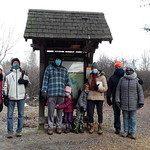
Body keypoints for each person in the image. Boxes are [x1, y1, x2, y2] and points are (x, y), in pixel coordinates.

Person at [41, 54, 70, 135]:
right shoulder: (49, 68)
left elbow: (67, 81)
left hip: (61, 94)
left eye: (59, 59)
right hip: (51, 93)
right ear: (54, 60)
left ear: (61, 60)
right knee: (51, 111)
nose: (58, 61)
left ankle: (59, 126)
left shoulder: (64, 70)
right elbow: (45, 80)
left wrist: (68, 91)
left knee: (60, 111)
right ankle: (50, 127)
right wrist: (44, 91)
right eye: (56, 59)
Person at [115, 64, 144, 139]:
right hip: (124, 102)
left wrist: (141, 101)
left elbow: (140, 91)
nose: (128, 71)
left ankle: (132, 132)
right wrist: (117, 100)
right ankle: (126, 131)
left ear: (133, 70)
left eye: (130, 69)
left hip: (133, 103)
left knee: (133, 118)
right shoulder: (122, 79)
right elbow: (118, 90)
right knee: (125, 117)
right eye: (127, 69)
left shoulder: (137, 80)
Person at [3, 58, 30, 138]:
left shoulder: (23, 73)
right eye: (14, 62)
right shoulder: (8, 74)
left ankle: (19, 131)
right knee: (9, 116)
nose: (15, 64)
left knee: (21, 115)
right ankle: (10, 132)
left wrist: (25, 81)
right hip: (11, 97)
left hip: (21, 97)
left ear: (19, 63)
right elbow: (5, 86)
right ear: (12, 64)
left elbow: (29, 84)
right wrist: (5, 96)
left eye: (17, 62)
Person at [87, 62, 108, 134]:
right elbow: (88, 85)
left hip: (99, 97)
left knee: (100, 112)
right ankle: (91, 126)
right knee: (90, 112)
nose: (94, 70)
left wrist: (98, 88)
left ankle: (100, 126)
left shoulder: (102, 77)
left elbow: (105, 88)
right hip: (90, 96)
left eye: (95, 68)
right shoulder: (90, 76)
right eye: (93, 68)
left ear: (98, 69)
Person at [106, 61, 124, 134]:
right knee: (116, 114)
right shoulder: (112, 78)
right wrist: (108, 98)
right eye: (117, 67)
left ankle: (127, 129)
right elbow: (109, 88)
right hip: (115, 98)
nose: (118, 68)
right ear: (115, 68)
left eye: (119, 67)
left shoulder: (126, 76)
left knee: (126, 114)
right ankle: (117, 128)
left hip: (124, 98)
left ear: (122, 67)